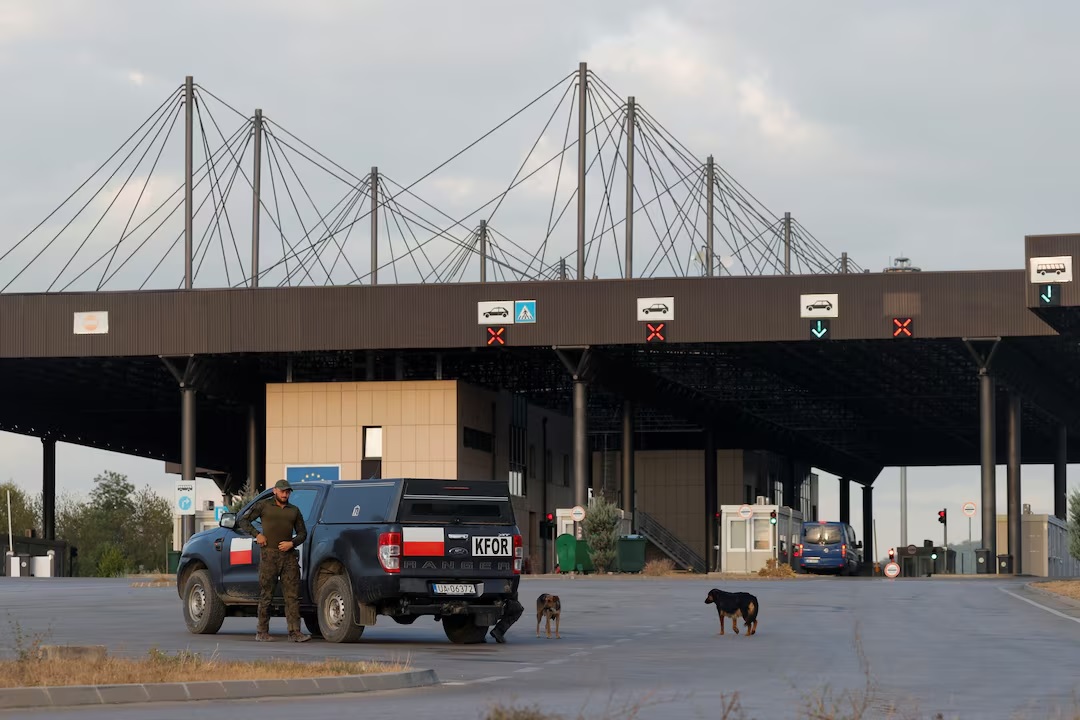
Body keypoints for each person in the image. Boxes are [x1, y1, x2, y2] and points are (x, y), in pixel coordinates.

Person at [238, 479, 310, 642]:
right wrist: (257, 535)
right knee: (266, 595)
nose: (285, 494)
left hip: (289, 557)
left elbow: (302, 533)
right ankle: (262, 631)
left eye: (288, 492)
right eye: (283, 491)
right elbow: (243, 520)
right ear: (275, 491)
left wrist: (292, 543)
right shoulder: (264, 506)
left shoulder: (294, 511)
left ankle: (295, 632)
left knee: (292, 596)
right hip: (269, 556)